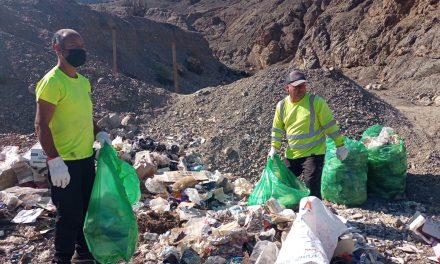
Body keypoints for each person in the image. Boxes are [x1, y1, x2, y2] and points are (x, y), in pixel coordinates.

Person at [34, 29, 111, 264]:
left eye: (82, 46)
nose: (79, 51)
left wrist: (101, 133)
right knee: (69, 215)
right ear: (57, 48)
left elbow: (84, 115)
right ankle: (61, 259)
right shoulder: (52, 82)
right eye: (73, 46)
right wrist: (54, 161)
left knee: (87, 210)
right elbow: (41, 124)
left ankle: (84, 254)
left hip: (86, 158)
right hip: (64, 162)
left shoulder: (83, 82)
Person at [269, 70, 348, 199]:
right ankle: (294, 209)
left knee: (311, 184)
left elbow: (330, 126)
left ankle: (315, 214)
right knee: (284, 181)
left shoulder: (316, 102)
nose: (301, 89)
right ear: (287, 88)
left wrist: (340, 145)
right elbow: (277, 129)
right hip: (293, 154)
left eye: (303, 86)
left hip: (313, 153)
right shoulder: (282, 106)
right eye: (297, 86)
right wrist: (274, 148)